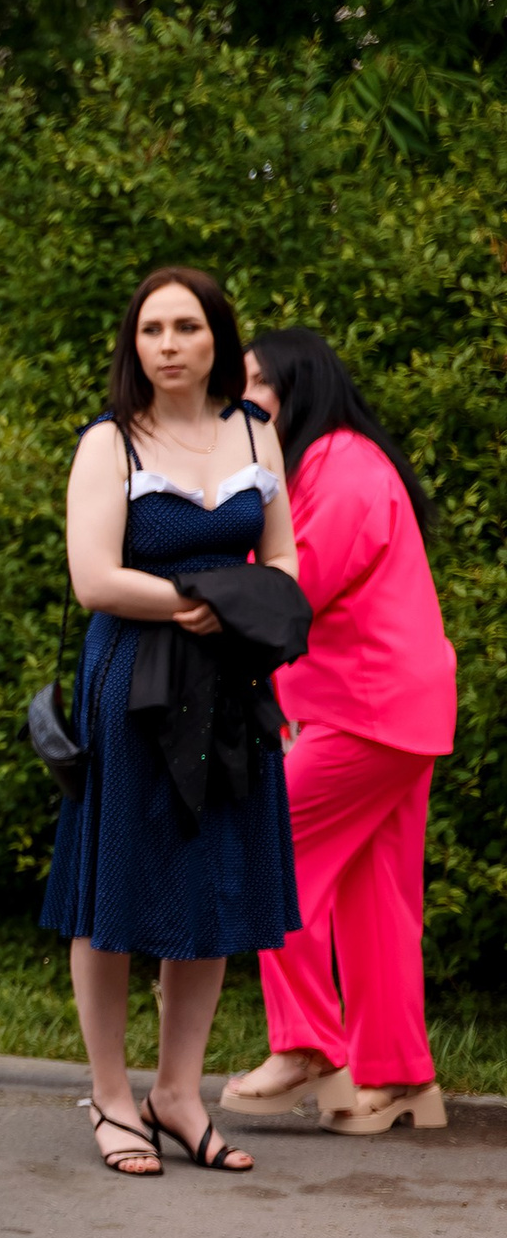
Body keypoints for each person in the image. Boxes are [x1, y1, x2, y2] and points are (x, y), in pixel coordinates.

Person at [40, 267, 300, 1176]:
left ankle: (178, 1093)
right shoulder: (109, 443)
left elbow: (285, 563)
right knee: (115, 883)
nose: (169, 344)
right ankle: (112, 1093)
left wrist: (236, 612)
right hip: (131, 681)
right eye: (152, 329)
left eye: (187, 327)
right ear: (134, 345)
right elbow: (93, 578)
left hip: (228, 682)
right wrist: (190, 599)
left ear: (217, 340)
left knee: (214, 879)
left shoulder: (256, 435)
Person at [223, 330, 455, 1135]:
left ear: (300, 383)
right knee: (375, 898)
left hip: (370, 708)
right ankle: (401, 1078)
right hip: (390, 710)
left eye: (258, 382)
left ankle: (309, 1042)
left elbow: (295, 589)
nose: (243, 395)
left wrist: (194, 592)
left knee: (267, 844)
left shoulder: (339, 465)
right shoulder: (326, 464)